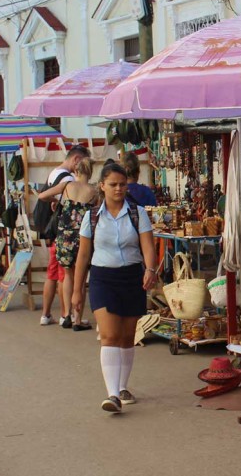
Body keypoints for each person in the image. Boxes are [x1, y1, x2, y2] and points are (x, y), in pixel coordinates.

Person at [72, 163, 159, 413]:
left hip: (132, 276)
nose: (119, 189)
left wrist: (150, 270)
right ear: (102, 186)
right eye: (113, 184)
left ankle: (122, 386)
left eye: (122, 184)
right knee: (109, 335)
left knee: (127, 336)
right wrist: (77, 291)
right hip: (102, 278)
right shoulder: (91, 217)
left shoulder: (137, 213)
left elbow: (148, 247)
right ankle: (112, 394)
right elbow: (83, 255)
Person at [37, 157, 99, 330]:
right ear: (90, 172)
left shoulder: (66, 186)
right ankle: (78, 319)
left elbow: (42, 196)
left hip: (64, 236)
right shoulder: (94, 192)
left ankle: (66, 316)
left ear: (76, 171)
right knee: (81, 278)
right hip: (84, 238)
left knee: (67, 275)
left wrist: (57, 202)